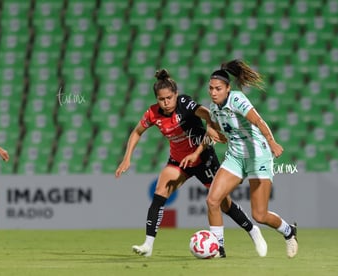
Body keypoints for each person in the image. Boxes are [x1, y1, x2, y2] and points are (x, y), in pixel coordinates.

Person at [115, 69, 267, 258]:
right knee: (160, 192)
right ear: (157, 99)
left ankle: (253, 231)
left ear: (176, 95)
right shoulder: (153, 113)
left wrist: (211, 129)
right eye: (161, 99)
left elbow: (208, 114)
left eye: (169, 98)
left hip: (203, 158)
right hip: (179, 161)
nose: (166, 103)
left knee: (223, 204)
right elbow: (137, 132)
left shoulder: (185, 103)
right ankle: (148, 245)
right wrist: (127, 157)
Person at [181, 60, 298, 258]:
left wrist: (272, 142)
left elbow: (258, 121)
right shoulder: (214, 108)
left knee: (259, 215)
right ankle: (218, 248)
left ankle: (289, 232)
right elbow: (215, 129)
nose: (213, 92)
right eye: (210, 88)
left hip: (257, 156)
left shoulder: (237, 99)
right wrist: (205, 141)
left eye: (218, 88)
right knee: (212, 200)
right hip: (235, 157)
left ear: (228, 88)